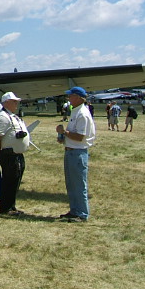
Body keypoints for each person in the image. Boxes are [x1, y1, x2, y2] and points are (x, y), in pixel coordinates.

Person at [56, 86, 96, 222]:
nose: (69, 98)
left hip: (77, 152)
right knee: (71, 183)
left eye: (71, 96)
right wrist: (63, 137)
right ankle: (75, 210)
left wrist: (64, 133)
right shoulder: (76, 111)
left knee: (79, 184)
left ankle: (82, 213)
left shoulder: (82, 114)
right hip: (71, 151)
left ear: (79, 97)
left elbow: (80, 137)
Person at [0, 92, 30, 216]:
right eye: (14, 101)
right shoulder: (3, 117)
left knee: (15, 180)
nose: (16, 104)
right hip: (9, 154)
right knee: (9, 180)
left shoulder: (13, 116)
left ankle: (11, 205)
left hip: (17, 154)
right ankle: (5, 207)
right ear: (6, 102)